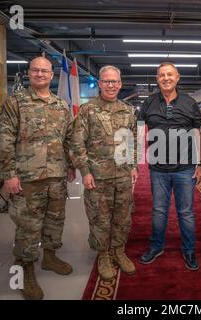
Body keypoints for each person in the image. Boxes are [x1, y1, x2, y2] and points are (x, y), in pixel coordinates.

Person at [0, 56, 75, 300]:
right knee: (28, 226)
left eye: (45, 71)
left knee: (55, 221)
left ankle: (49, 257)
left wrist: (70, 165)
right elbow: (3, 139)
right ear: (29, 73)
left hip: (56, 175)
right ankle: (25, 269)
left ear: (52, 76)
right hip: (27, 178)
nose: (40, 74)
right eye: (35, 70)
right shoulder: (16, 102)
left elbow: (68, 137)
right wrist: (9, 174)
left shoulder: (61, 106)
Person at [71, 65, 138, 281]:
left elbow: (133, 140)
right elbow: (77, 143)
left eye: (114, 81)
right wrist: (85, 171)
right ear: (100, 84)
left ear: (120, 84)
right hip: (97, 177)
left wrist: (134, 165)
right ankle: (103, 255)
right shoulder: (87, 109)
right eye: (106, 81)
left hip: (123, 175)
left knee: (122, 217)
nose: (111, 85)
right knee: (99, 218)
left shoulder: (128, 110)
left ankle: (118, 251)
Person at [138, 62, 201, 271]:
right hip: (158, 170)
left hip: (185, 168)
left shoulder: (190, 103)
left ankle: (189, 250)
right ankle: (156, 246)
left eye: (169, 74)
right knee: (159, 210)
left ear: (177, 77)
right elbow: (140, 133)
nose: (165, 78)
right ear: (157, 79)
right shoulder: (148, 103)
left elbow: (197, 134)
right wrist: (135, 161)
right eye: (161, 75)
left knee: (186, 212)